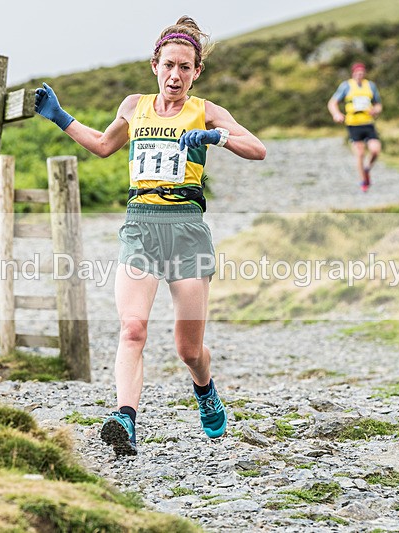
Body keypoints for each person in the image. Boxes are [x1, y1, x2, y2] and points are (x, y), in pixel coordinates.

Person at [35, 16, 266, 456]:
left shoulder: (207, 110)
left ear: (197, 72)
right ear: (154, 65)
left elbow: (258, 149)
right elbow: (104, 145)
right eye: (168, 65)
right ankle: (126, 417)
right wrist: (61, 118)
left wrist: (217, 137)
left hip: (187, 230)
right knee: (133, 328)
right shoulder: (133, 105)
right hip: (140, 224)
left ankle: (205, 389)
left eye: (185, 67)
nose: (175, 75)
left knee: (187, 347)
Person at [327, 62, 383, 192]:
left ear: (365, 73)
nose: (360, 74)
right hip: (353, 124)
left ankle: (367, 167)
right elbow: (332, 102)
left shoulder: (370, 86)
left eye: (362, 72)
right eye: (357, 72)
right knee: (360, 153)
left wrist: (376, 110)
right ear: (353, 73)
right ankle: (364, 180)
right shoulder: (346, 86)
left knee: (375, 150)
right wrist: (336, 114)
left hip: (368, 123)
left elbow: (378, 104)